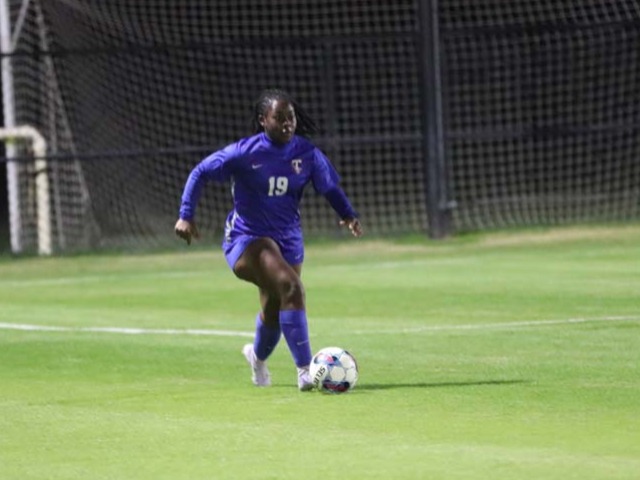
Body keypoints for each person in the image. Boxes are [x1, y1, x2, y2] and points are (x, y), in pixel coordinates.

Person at [174, 88, 363, 391]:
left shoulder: (306, 153)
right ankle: (306, 370)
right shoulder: (244, 153)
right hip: (247, 238)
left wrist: (348, 214)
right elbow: (200, 171)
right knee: (292, 287)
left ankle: (257, 358)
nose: (288, 124)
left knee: (275, 308)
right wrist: (186, 215)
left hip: (289, 239)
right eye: (280, 118)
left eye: (291, 118)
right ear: (264, 120)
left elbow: (329, 188)